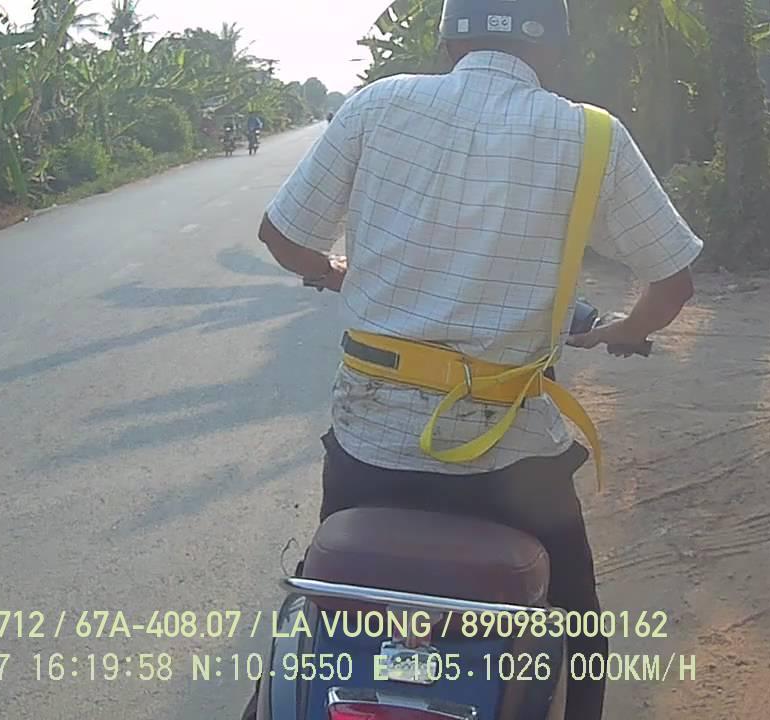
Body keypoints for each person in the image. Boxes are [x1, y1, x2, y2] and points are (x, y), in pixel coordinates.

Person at [249, 0, 702, 717]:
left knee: (321, 611)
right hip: (513, 465)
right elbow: (672, 283)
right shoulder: (590, 135)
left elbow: (282, 234)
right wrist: (620, 330)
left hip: (373, 450)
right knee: (577, 626)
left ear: (448, 40)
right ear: (553, 50)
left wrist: (336, 273)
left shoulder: (377, 105)